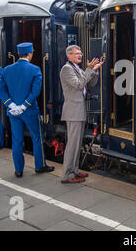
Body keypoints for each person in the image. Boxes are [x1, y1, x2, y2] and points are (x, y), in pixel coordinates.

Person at [0, 42, 54, 178]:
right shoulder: (35, 69)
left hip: (13, 113)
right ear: (30, 54)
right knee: (36, 137)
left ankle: (18, 170)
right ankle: (39, 166)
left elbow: (1, 91)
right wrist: (23, 106)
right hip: (29, 111)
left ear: (19, 54)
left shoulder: (6, 69)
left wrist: (12, 105)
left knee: (17, 140)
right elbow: (35, 92)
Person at [60, 45, 103, 184]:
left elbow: (88, 84)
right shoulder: (67, 69)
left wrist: (94, 71)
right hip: (73, 112)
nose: (80, 55)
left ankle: (75, 171)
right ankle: (67, 175)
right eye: (76, 53)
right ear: (69, 56)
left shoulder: (76, 68)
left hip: (79, 111)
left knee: (77, 144)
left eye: (80, 53)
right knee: (72, 145)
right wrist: (89, 69)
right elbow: (79, 85)